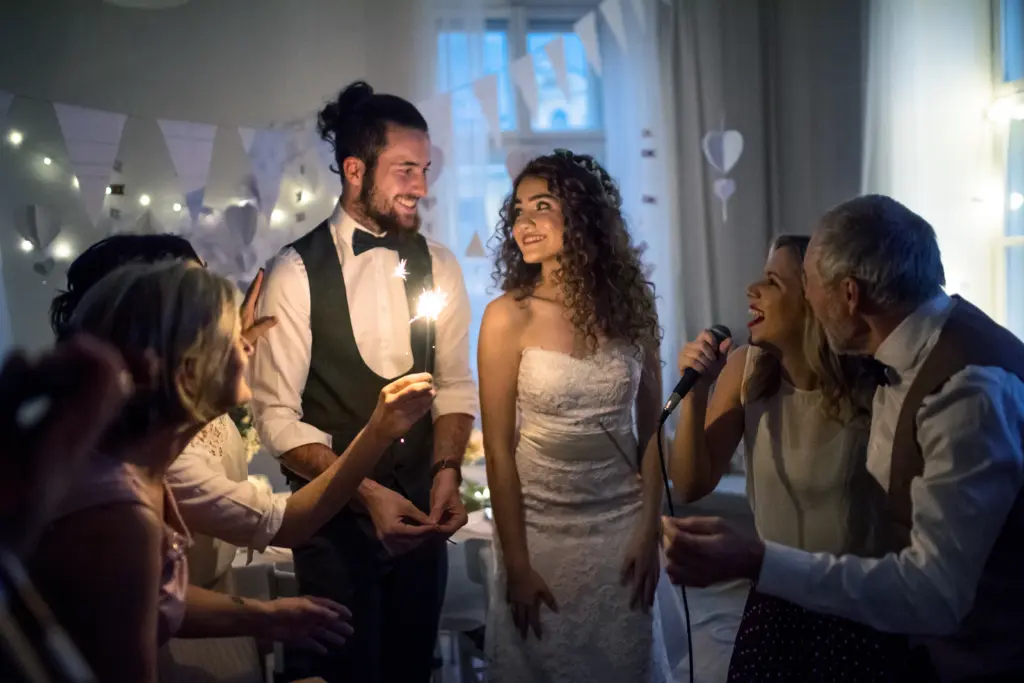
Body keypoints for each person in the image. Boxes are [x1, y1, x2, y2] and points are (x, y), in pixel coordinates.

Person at [663, 195, 1024, 681]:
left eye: (808, 286)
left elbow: (936, 593)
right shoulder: (910, 360)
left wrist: (755, 557)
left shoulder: (963, 389)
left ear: (849, 295)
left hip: (970, 655)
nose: (809, 300)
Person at [50, 234, 437, 591]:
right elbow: (286, 523)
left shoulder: (157, 434)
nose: (237, 331)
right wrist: (378, 431)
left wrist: (228, 363)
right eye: (207, 318)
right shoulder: (136, 482)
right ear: (165, 344)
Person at [251, 80, 477, 683]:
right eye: (406, 170)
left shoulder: (443, 264)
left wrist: (446, 472)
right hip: (333, 536)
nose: (422, 187)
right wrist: (369, 495)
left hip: (423, 531)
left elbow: (455, 385)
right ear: (355, 170)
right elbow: (276, 417)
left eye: (425, 169)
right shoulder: (294, 271)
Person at [30, 261, 352, 683]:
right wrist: (380, 429)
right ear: (184, 369)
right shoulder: (119, 515)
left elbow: (153, 600)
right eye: (229, 337)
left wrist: (265, 616)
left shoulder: (138, 470)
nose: (249, 345)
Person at [672, 234, 908, 680]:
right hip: (775, 600)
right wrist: (695, 393)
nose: (752, 289)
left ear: (813, 300)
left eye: (773, 282)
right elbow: (688, 485)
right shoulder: (745, 368)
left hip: (853, 605)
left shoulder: (876, 385)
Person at [479, 149, 671, 682]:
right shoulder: (505, 317)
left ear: (583, 215)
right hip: (539, 529)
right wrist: (516, 564)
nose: (524, 223)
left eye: (542, 206)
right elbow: (497, 448)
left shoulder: (633, 311)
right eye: (518, 210)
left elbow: (653, 428)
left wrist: (649, 528)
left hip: (622, 526)